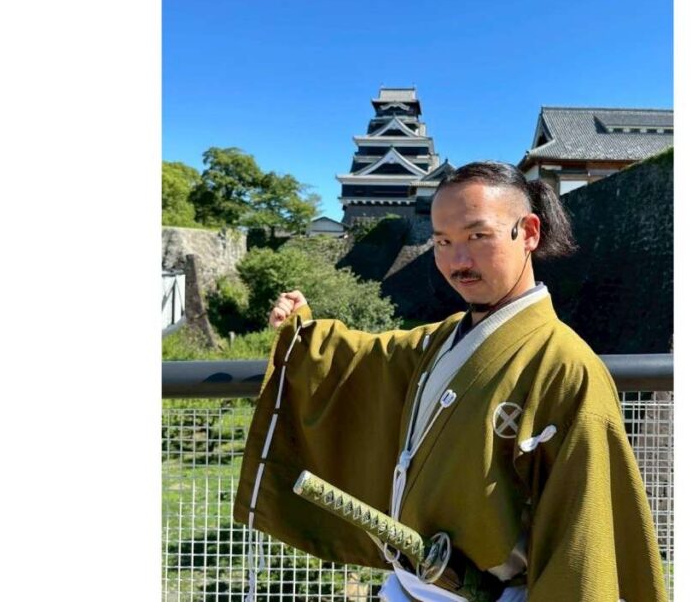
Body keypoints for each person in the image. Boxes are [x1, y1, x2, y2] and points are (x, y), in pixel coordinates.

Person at [233, 161, 668, 602]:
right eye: (442, 242)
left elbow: (585, 538)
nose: (458, 261)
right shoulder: (439, 340)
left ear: (528, 232)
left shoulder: (566, 368)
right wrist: (302, 329)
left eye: (478, 236)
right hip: (407, 584)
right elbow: (362, 358)